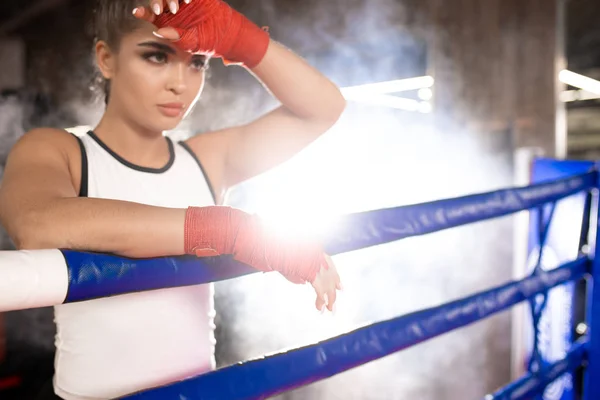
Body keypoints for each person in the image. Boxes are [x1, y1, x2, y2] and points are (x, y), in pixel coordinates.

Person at [0, 0, 346, 398]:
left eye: (197, 62)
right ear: (106, 59)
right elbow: (38, 223)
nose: (180, 83)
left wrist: (240, 38)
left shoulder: (206, 160)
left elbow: (323, 109)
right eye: (157, 56)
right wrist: (231, 230)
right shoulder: (59, 150)